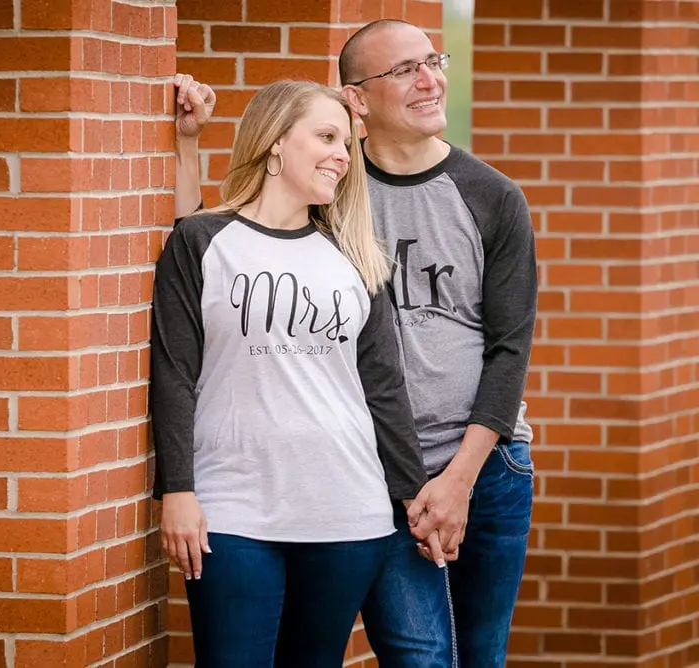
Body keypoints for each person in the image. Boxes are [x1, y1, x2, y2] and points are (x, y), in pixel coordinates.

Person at [174, 18, 539, 668]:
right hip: (378, 476)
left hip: (478, 468)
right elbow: (221, 243)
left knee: (480, 654)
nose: (429, 80)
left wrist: (456, 481)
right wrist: (187, 146)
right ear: (357, 98)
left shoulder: (492, 197)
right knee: (420, 657)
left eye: (433, 61)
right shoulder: (332, 195)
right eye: (404, 69)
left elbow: (509, 352)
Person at [151, 78, 433, 667]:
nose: (342, 154)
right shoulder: (204, 241)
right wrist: (177, 489)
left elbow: (384, 390)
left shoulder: (357, 257)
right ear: (276, 143)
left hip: (346, 512)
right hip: (232, 509)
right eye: (326, 136)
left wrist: (412, 497)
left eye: (345, 144)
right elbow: (175, 373)